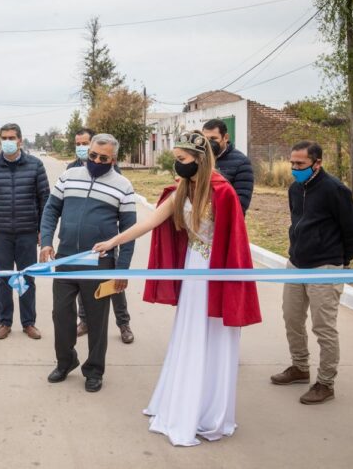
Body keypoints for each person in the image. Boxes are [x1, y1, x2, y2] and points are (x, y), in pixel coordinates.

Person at [94, 130, 261, 446]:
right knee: (190, 334)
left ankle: (208, 411)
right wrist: (114, 241)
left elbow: (235, 244)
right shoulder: (181, 190)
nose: (178, 167)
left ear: (199, 159)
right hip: (192, 269)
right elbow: (151, 222)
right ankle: (183, 401)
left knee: (212, 337)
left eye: (182, 160)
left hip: (216, 272)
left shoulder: (223, 193)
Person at [40, 133, 136, 393]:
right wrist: (47, 240)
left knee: (96, 320)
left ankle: (94, 370)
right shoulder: (69, 176)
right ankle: (65, 360)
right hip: (66, 259)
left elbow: (129, 232)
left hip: (99, 264)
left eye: (102, 158)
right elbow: (51, 209)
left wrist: (121, 269)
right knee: (61, 315)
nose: (95, 160)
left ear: (113, 159)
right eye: (92, 155)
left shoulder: (123, 186)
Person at [270, 141, 353, 404]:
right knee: (292, 318)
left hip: (325, 267)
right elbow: (296, 221)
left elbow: (352, 230)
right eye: (292, 164)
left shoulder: (336, 190)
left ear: (317, 163)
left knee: (324, 327)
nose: (294, 169)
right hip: (296, 264)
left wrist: (341, 262)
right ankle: (299, 367)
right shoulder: (295, 188)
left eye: (300, 164)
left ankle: (325, 382)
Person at [0, 123, 50, 340]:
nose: (7, 142)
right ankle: (4, 322)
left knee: (27, 278)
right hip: (1, 232)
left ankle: (29, 323)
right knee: (3, 278)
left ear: (20, 140)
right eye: (4, 138)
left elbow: (45, 199)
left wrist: (42, 230)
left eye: (11, 137)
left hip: (28, 232)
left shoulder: (36, 166)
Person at [67, 128, 133, 344]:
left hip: (105, 245)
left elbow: (123, 217)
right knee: (84, 289)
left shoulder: (114, 173)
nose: (82, 149)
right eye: (78, 144)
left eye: (85, 143)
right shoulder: (72, 169)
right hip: (80, 249)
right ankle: (84, 321)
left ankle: (123, 323)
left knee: (114, 286)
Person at [201, 119, 254, 214]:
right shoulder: (200, 160)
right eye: (206, 139)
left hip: (225, 220)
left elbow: (241, 202)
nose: (209, 144)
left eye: (213, 139)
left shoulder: (242, 162)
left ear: (225, 137)